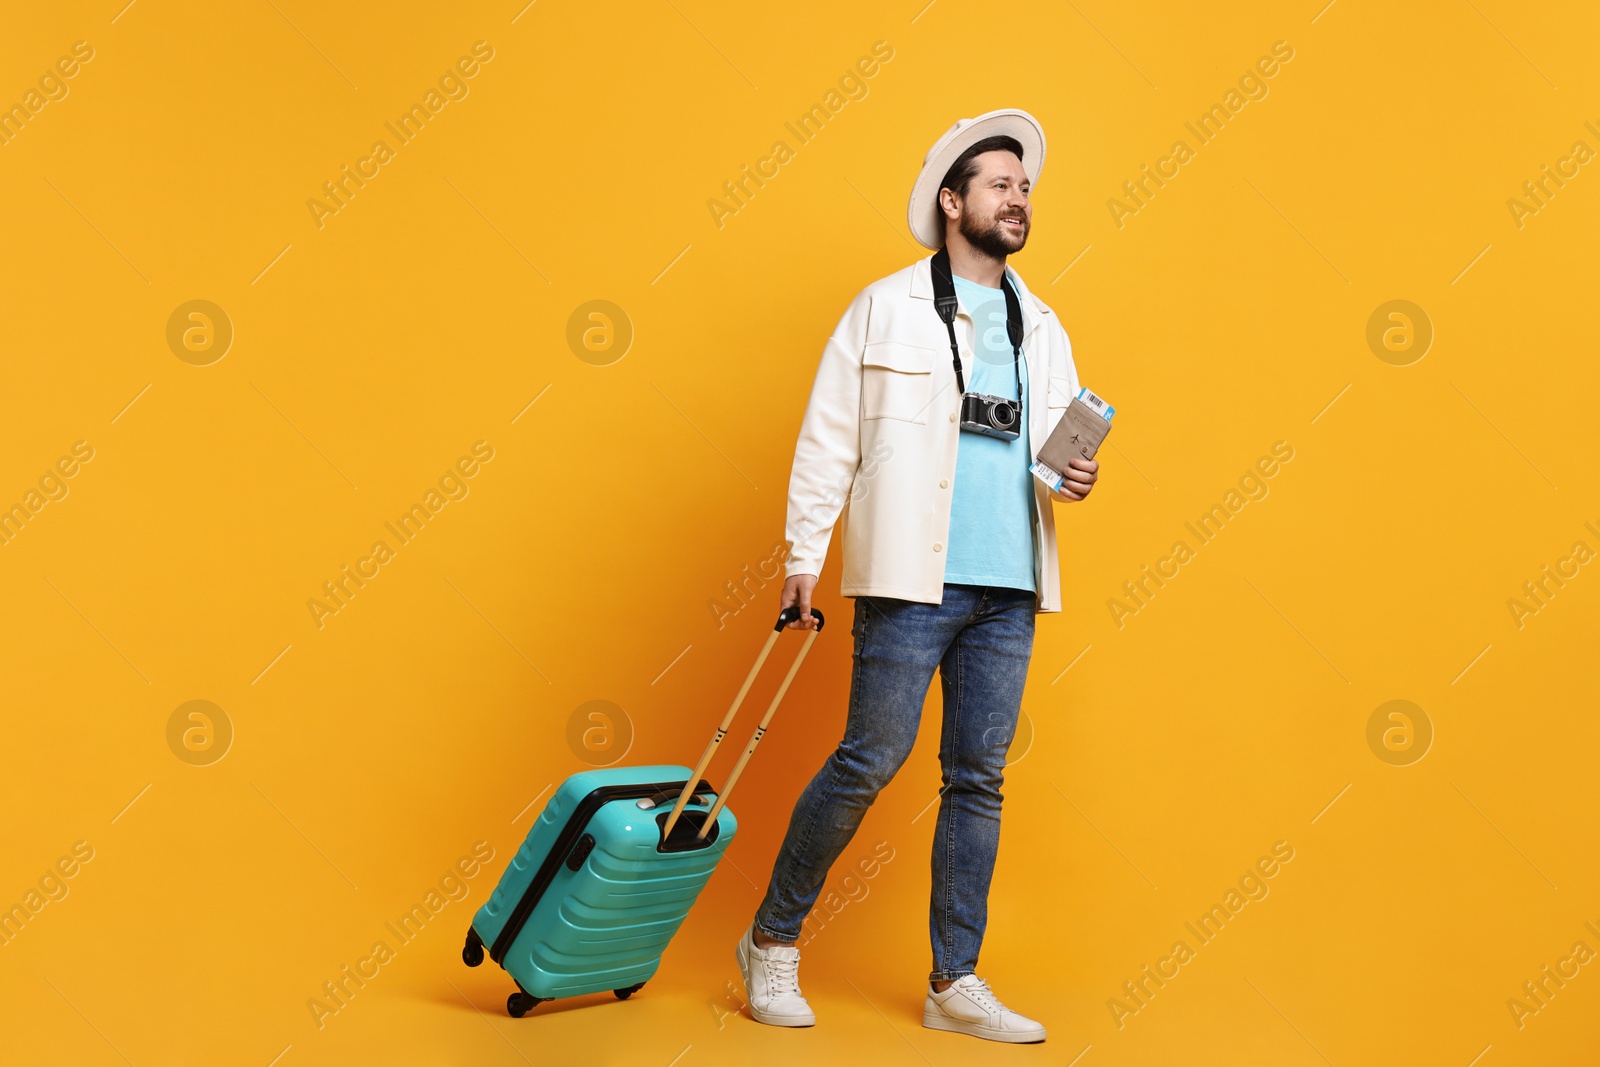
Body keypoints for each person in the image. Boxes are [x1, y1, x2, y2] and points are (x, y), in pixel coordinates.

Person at [733, 109, 1102, 1045]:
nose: (1019, 200)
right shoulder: (884, 306)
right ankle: (770, 938)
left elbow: (1049, 451)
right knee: (868, 761)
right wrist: (801, 558)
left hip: (1009, 581)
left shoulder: (1042, 322)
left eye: (1026, 188)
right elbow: (829, 437)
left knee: (978, 779)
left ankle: (955, 980)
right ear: (953, 200)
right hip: (909, 579)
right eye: (1001, 185)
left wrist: (1076, 474)